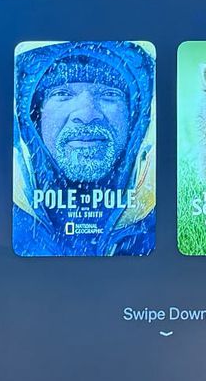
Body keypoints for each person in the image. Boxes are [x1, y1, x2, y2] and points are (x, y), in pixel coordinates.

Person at [13, 41, 155, 256]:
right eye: (62, 93)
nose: (87, 114)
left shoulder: (169, 216)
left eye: (109, 94)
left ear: (134, 118)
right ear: (34, 117)